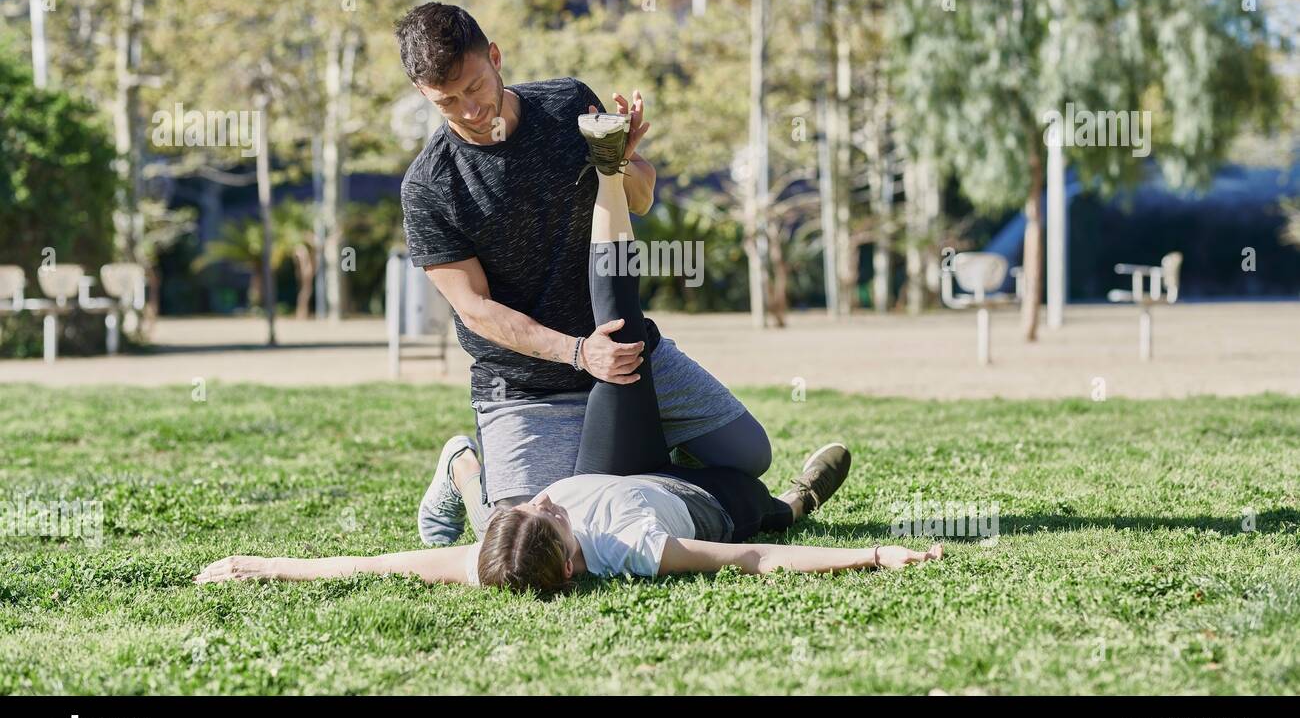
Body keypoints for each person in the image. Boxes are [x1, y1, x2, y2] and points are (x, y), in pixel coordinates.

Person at [195, 114, 943, 594]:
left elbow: (377, 565)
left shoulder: (499, 550)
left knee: (614, 334)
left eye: (533, 507)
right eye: (550, 513)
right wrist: (874, 556)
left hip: (620, 455)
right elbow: (752, 561)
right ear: (577, 559)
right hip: (709, 498)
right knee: (766, 501)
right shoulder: (640, 545)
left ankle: (464, 464)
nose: (551, 497)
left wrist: (261, 566)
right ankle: (798, 500)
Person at [393, 2, 772, 547]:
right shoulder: (429, 187)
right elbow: (475, 309)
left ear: (495, 57)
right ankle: (463, 470)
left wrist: (619, 163)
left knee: (749, 455)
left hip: (626, 352)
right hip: (525, 386)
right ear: (423, 95)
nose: (469, 109)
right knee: (521, 532)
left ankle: (645, 461)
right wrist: (577, 352)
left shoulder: (568, 102)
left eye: (475, 86)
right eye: (446, 101)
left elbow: (638, 198)